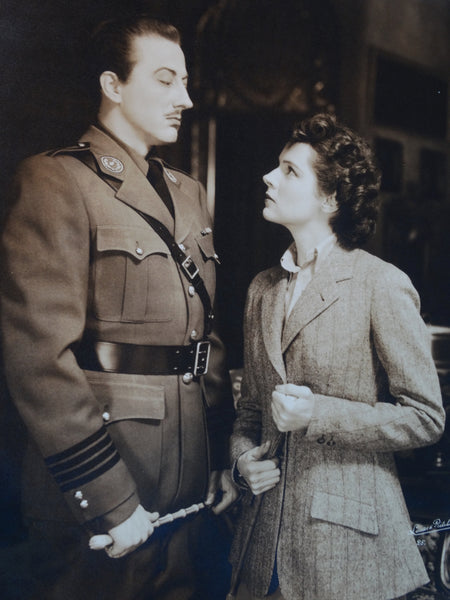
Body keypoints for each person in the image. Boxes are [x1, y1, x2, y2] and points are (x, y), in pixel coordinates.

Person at [0, 15, 237, 600]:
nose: (184, 98)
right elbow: (39, 360)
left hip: (187, 482)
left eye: (184, 81)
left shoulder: (189, 192)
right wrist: (107, 498)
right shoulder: (57, 181)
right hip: (109, 482)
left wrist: (217, 456)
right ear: (113, 85)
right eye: (164, 80)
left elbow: (202, 338)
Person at [229, 113, 445, 600]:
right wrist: (243, 460)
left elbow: (426, 419)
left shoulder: (379, 284)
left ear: (330, 198)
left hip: (348, 550)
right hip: (261, 550)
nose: (269, 177)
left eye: (289, 170)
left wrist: (318, 413)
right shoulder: (262, 289)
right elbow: (250, 411)